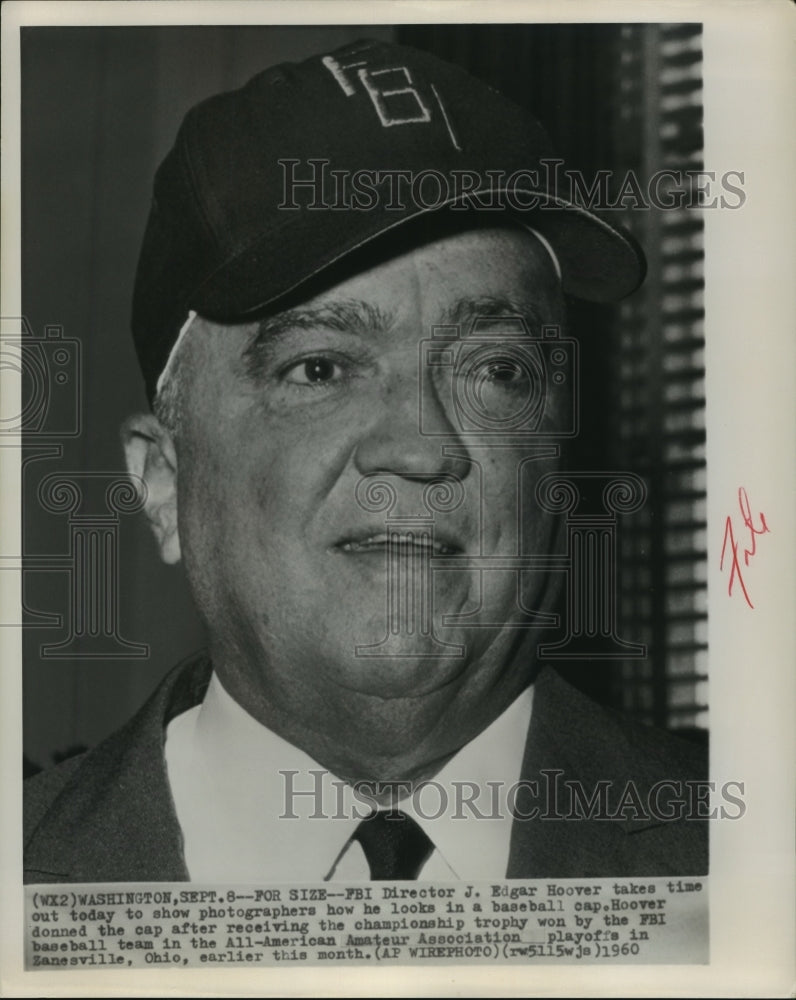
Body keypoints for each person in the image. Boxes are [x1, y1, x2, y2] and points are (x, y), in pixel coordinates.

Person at [23, 38, 707, 884]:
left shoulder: (748, 858)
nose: (422, 448)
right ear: (164, 484)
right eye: (320, 369)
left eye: (497, 372)